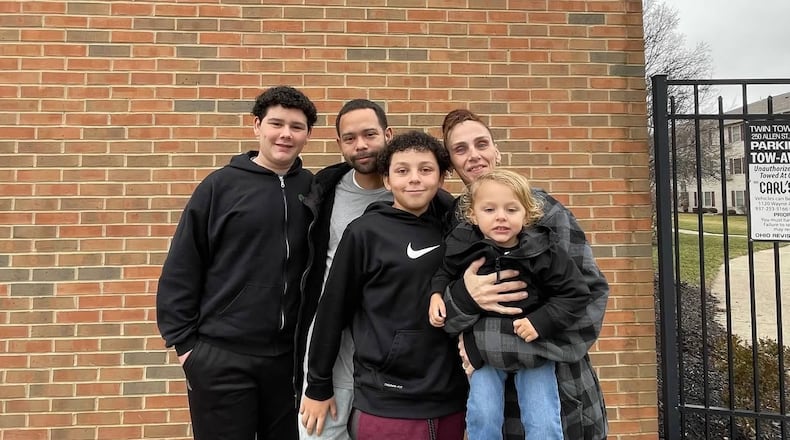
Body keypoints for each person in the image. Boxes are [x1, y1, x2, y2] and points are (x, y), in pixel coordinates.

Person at [156, 85, 318, 440]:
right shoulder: (220, 187)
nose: (285, 134)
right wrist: (186, 348)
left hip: (287, 361)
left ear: (307, 134)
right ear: (256, 125)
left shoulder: (314, 189)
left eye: (297, 126)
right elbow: (182, 267)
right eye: (276, 123)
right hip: (221, 357)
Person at [439, 109, 610, 440]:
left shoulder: (545, 212)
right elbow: (441, 310)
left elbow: (589, 295)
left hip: (560, 391)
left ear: (496, 151)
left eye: (481, 144)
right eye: (460, 149)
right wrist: (464, 298)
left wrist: (525, 347)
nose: (473, 155)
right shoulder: (455, 226)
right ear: (452, 163)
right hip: (488, 396)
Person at [300, 131, 468, 440]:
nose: (414, 179)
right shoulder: (364, 233)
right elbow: (332, 311)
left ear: (442, 177)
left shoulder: (457, 231)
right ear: (387, 180)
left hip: (452, 397)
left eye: (426, 170)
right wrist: (318, 385)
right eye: (402, 171)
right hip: (387, 400)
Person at [296, 99, 394, 440]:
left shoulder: (419, 195)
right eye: (350, 138)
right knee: (320, 433)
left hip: (390, 339)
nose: (361, 145)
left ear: (388, 134)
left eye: (369, 134)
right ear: (339, 144)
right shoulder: (323, 191)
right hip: (331, 337)